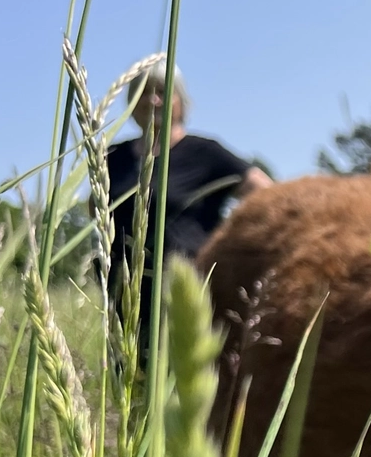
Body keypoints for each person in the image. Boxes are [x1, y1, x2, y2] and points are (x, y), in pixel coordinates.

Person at [103, 63, 273, 353]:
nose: (153, 100)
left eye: (162, 91)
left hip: (190, 292)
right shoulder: (111, 157)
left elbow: (267, 195)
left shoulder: (206, 154)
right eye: (143, 93)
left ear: (181, 101)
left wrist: (237, 245)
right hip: (126, 300)